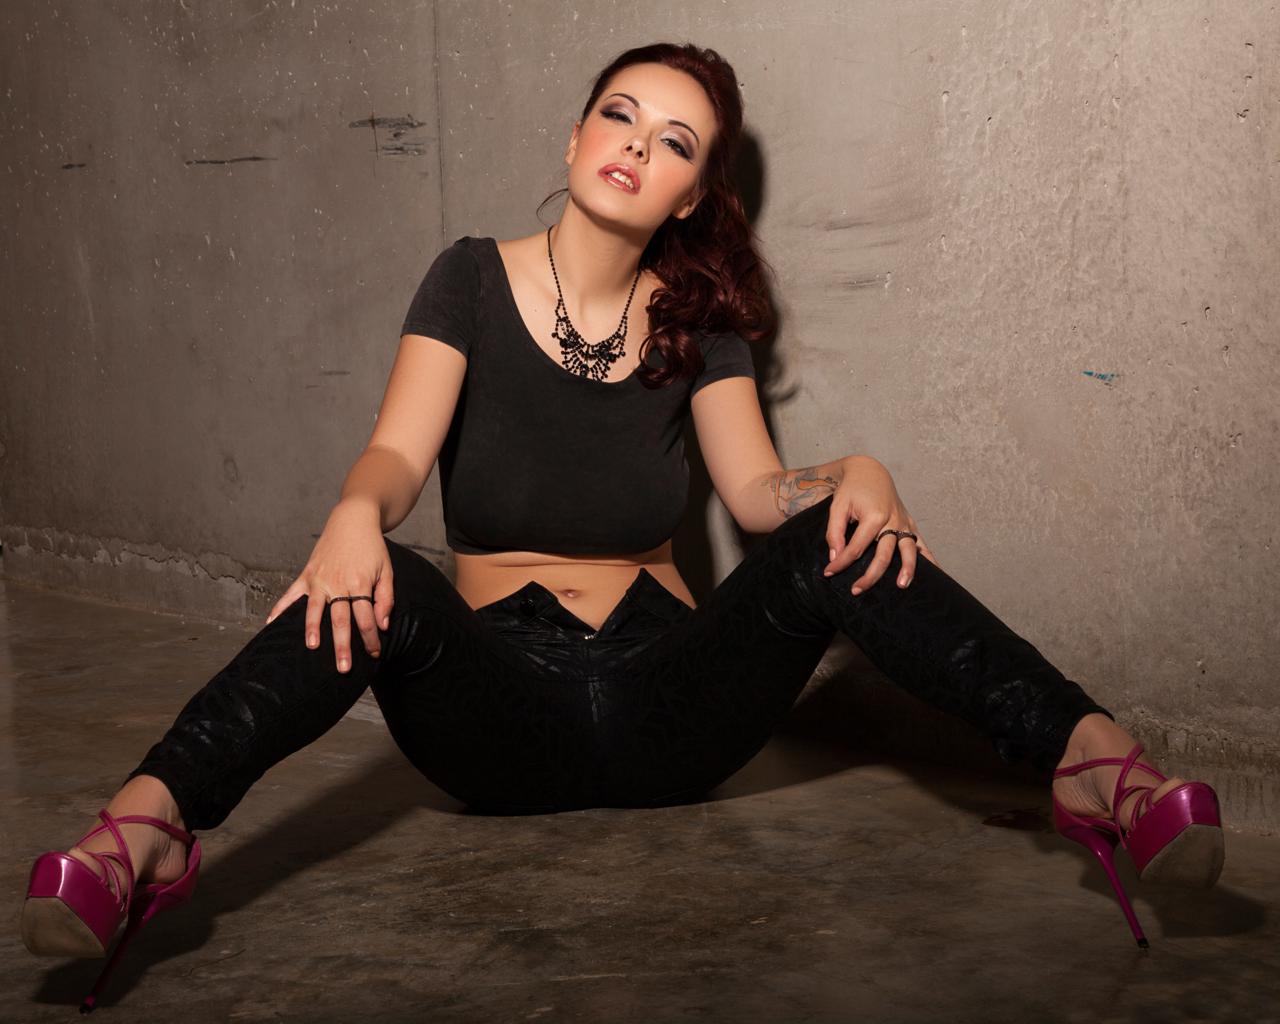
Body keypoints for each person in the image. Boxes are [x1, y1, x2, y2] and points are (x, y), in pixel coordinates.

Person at [23, 41, 1224, 1012]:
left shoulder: (702, 325)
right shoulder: (467, 279)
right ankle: (145, 834)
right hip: (500, 709)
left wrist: (849, 473)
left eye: (674, 141)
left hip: (668, 705)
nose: (637, 145)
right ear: (574, 137)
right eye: (620, 115)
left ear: (689, 192)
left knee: (837, 537)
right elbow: (396, 452)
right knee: (372, 570)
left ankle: (1099, 770)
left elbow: (755, 499)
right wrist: (350, 512)